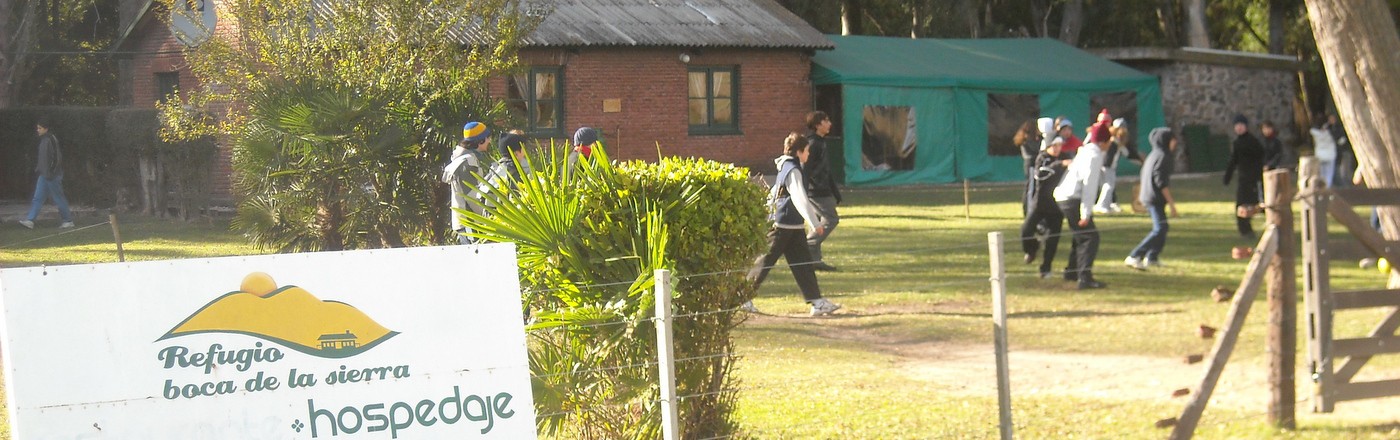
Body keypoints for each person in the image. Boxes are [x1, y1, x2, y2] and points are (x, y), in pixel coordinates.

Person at [744, 132, 841, 317]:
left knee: (803, 264)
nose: (808, 155)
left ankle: (817, 302)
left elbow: (773, 194)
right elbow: (799, 197)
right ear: (799, 151)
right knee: (764, 261)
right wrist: (814, 222)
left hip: (792, 226)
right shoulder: (794, 170)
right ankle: (741, 299)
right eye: (806, 151)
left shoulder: (785, 167)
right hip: (783, 226)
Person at [1053, 123, 1109, 289]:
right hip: (1072, 198)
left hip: (1064, 196)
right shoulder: (1094, 156)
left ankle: (1072, 271)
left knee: (1080, 235)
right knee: (1090, 237)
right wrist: (1086, 213)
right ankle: (1085, 277)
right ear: (1103, 142)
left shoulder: (1085, 150)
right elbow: (1089, 186)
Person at [1124, 127, 1180, 270]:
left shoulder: (1154, 155)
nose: (1175, 143)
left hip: (1150, 196)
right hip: (1153, 198)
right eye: (1173, 140)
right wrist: (1172, 204)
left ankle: (1152, 257)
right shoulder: (1163, 157)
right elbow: (1161, 183)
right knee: (1159, 229)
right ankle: (1135, 255)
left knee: (1163, 227)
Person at [1021, 137, 1067, 279]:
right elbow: (1040, 175)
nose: (1057, 148)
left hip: (1057, 206)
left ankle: (1046, 268)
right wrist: (1059, 165)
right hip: (1040, 203)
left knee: (1052, 239)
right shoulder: (1042, 158)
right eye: (1054, 145)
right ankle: (1032, 249)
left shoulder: (1067, 157)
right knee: (1026, 230)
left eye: (1059, 145)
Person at [802, 111, 842, 272]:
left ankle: (814, 261)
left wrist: (835, 191)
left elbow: (826, 170)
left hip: (823, 190)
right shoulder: (813, 144)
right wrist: (803, 192)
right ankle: (808, 243)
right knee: (831, 219)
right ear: (818, 125)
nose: (830, 123)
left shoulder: (822, 142)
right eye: (826, 121)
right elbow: (806, 170)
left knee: (816, 224)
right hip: (816, 192)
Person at [442, 121, 491, 244]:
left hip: (470, 223)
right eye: (487, 138)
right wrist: (488, 218)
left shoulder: (467, 160)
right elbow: (471, 197)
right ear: (480, 141)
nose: (490, 141)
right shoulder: (467, 163)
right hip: (470, 223)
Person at [20, 117, 74, 229]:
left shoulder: (51, 139)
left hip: (52, 176)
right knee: (38, 198)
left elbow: (57, 158)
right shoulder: (44, 140)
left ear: (46, 129)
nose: (38, 130)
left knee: (58, 198)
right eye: (37, 128)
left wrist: (51, 172)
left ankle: (68, 221)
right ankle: (30, 220)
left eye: (40, 128)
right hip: (44, 175)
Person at [1224, 114, 1265, 240]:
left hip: (1255, 179)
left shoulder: (1253, 141)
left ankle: (1275, 226)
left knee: (1262, 205)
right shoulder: (1237, 143)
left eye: (1241, 125)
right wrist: (1228, 176)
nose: (1239, 128)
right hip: (1244, 179)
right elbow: (1233, 161)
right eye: (1237, 126)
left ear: (1246, 127)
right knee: (1241, 206)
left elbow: (1261, 157)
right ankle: (1245, 231)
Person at [1093, 115, 1144, 214]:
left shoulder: (1118, 141)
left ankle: (1107, 205)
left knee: (1109, 185)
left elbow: (1128, 153)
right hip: (1106, 166)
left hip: (1108, 166)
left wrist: (1139, 160)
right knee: (1108, 185)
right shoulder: (1112, 140)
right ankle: (1102, 205)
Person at [1309, 115, 1338, 187]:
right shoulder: (1330, 133)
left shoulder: (1315, 133)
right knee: (1329, 174)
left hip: (1320, 155)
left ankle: (1321, 187)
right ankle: (1327, 187)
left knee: (1321, 173)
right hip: (1330, 155)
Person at [1326, 113, 1353, 187]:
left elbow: (1343, 140)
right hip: (1333, 154)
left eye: (1333, 118)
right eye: (1330, 118)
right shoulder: (1327, 128)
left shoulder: (1341, 128)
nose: (1332, 120)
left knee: (1345, 174)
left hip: (1343, 152)